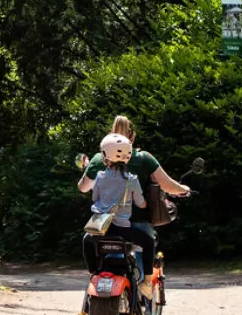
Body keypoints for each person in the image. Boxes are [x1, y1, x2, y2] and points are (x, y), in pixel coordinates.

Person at [78, 116, 189, 281]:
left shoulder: (98, 161)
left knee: (107, 255)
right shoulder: (143, 159)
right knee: (144, 253)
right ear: (133, 136)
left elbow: (84, 188)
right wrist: (183, 189)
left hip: (104, 224)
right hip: (137, 223)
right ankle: (145, 286)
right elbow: (166, 185)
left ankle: (96, 275)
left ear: (110, 135)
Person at [83, 132, 153, 276]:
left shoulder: (99, 177)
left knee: (86, 240)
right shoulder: (131, 179)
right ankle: (146, 280)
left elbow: (95, 199)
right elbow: (140, 203)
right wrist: (147, 204)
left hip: (101, 230)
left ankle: (95, 273)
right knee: (149, 242)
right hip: (123, 230)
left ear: (105, 156)